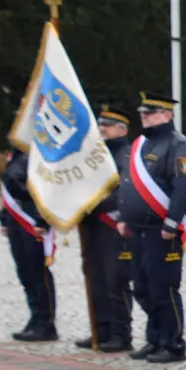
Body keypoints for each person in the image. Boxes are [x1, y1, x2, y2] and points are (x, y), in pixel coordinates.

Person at [117, 91, 186, 363]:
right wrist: (123, 216)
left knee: (164, 289)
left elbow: (183, 187)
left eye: (149, 113)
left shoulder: (179, 145)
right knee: (142, 287)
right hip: (138, 228)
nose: (144, 116)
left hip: (161, 230)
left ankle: (173, 344)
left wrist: (172, 223)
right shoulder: (141, 144)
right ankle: (154, 338)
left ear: (166, 115)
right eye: (142, 113)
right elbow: (127, 182)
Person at [77, 103, 135, 352]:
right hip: (92, 225)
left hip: (113, 226)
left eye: (108, 126)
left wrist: (93, 202)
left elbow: (124, 191)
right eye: (100, 125)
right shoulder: (96, 155)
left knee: (115, 282)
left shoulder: (127, 155)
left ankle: (121, 335)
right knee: (95, 280)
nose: (102, 130)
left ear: (122, 130)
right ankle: (99, 331)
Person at [0, 146, 57, 342]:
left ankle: (46, 323)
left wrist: (43, 220)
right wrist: (4, 218)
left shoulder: (40, 153)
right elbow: (8, 190)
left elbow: (48, 188)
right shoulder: (16, 154)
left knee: (37, 272)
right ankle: (36, 318)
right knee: (25, 273)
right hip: (17, 220)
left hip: (32, 219)